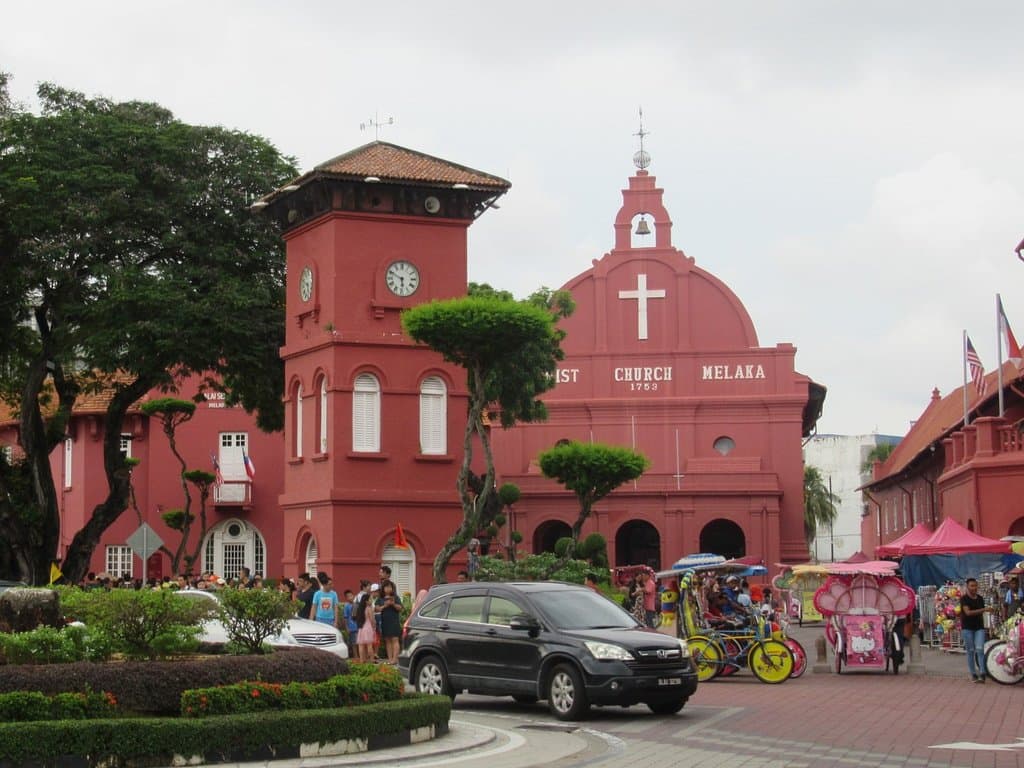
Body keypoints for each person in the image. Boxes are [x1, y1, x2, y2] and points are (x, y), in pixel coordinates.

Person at [960, 577, 992, 683]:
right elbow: (968, 613)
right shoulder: (964, 599)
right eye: (972, 586)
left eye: (975, 585)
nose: (974, 588)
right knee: (970, 651)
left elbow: (981, 613)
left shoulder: (980, 598)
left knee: (980, 649)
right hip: (967, 628)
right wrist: (984, 609)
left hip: (979, 627)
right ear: (967, 587)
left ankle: (982, 673)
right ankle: (973, 673)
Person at [376, 581, 402, 664]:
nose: (388, 588)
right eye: (386, 587)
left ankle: (395, 659)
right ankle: (390, 659)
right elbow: (377, 609)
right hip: (385, 621)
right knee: (387, 640)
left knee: (395, 639)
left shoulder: (395, 597)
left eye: (390, 587)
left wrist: (393, 604)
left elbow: (400, 608)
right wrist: (385, 605)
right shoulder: (380, 598)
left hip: (394, 621)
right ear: (383, 589)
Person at [355, 587, 378, 662]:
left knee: (361, 645)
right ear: (366, 601)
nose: (371, 601)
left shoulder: (360, 609)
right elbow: (372, 619)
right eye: (370, 599)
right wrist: (374, 626)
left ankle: (362, 660)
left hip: (361, 628)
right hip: (368, 627)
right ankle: (371, 660)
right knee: (369, 645)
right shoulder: (368, 608)